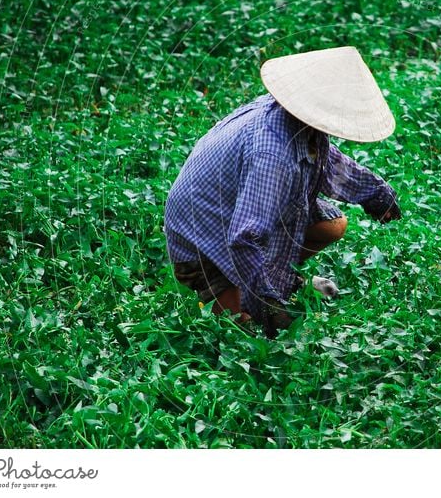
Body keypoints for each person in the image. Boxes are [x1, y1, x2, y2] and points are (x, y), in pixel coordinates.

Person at [164, 46, 401, 337]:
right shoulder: (272, 153)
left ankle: (279, 281)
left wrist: (374, 193)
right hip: (202, 243)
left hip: (234, 212)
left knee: (333, 225)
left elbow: (330, 162)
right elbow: (244, 237)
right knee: (240, 332)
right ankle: (254, 289)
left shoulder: (295, 119)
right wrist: (267, 303)